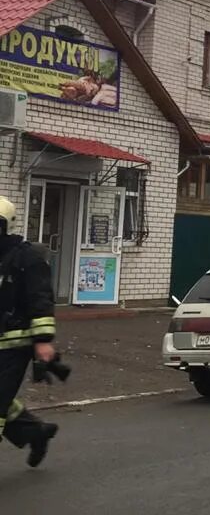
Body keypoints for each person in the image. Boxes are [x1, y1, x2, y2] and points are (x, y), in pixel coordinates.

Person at [0, 196, 59, 467]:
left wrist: (43, 341)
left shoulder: (27, 258)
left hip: (15, 344)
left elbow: (40, 299)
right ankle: (36, 432)